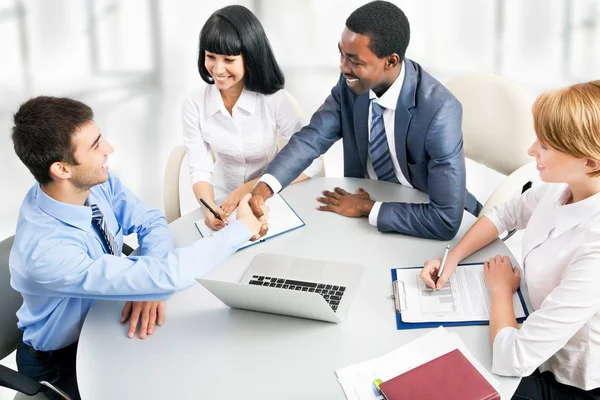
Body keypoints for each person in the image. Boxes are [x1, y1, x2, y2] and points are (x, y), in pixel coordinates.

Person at [10, 96, 267, 399]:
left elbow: (151, 223)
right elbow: (169, 275)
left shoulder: (91, 182)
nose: (109, 149)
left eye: (100, 137)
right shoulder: (45, 253)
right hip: (63, 360)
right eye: (95, 146)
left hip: (110, 320)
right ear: (62, 169)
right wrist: (243, 229)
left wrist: (146, 285)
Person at [420, 81, 600, 399]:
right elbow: (506, 214)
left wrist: (501, 290)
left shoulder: (595, 246)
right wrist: (453, 258)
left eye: (546, 145)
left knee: (442, 382)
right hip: (532, 329)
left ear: (590, 162)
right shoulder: (565, 187)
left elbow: (512, 358)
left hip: (566, 381)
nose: (531, 151)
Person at [248, 0, 481, 241]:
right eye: (341, 54)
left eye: (354, 61)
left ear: (390, 61)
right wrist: (264, 189)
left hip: (422, 221)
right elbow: (311, 139)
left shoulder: (440, 111)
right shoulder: (350, 86)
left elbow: (444, 220)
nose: (343, 68)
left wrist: (366, 208)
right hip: (363, 216)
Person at [183, 5, 321, 231]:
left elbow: (311, 159)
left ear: (251, 57)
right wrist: (208, 208)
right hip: (223, 200)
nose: (217, 69)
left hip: (271, 194)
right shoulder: (194, 103)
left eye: (228, 60)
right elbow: (199, 168)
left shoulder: (274, 99)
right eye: (210, 57)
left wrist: (249, 188)